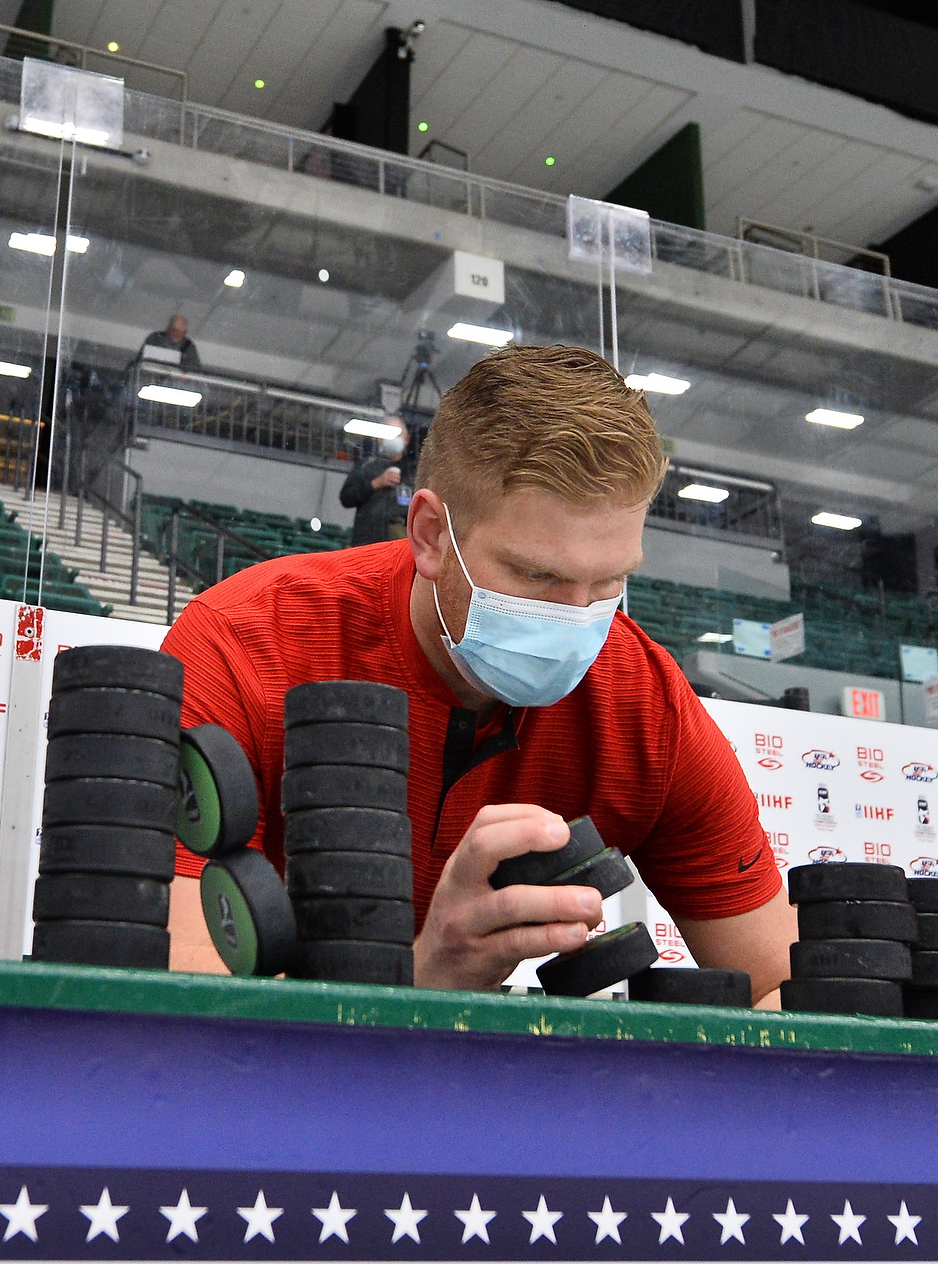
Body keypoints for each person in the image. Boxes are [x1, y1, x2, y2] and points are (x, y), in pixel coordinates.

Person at [160, 344, 794, 1003]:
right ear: (431, 534)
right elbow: (178, 1000)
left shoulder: (644, 704)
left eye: (611, 580)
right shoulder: (242, 645)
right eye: (537, 574)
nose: (577, 616)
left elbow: (779, 985)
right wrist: (430, 973)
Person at [340, 450, 405, 545]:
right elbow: (346, 498)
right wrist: (375, 483)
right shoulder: (366, 464)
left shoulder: (412, 469)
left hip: (397, 542)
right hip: (367, 540)